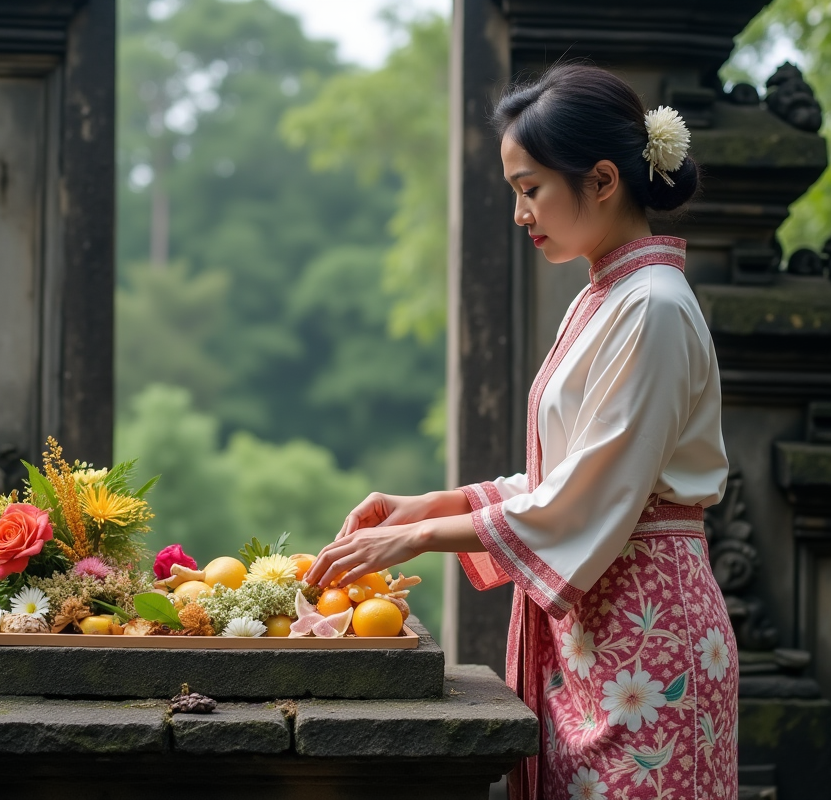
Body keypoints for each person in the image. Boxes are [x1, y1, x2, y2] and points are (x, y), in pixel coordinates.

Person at [307, 64, 737, 800]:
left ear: (602, 179)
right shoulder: (607, 298)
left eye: (530, 189)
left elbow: (591, 493)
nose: (520, 215)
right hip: (599, 631)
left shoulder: (653, 306)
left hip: (649, 634)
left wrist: (415, 539)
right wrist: (428, 506)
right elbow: (563, 477)